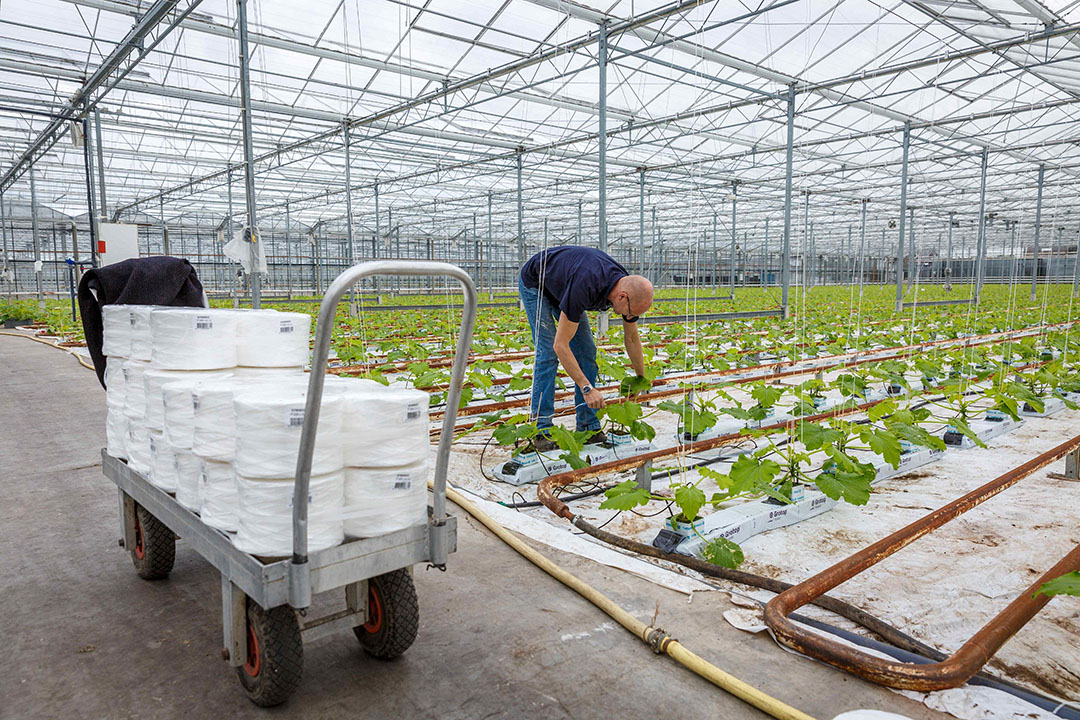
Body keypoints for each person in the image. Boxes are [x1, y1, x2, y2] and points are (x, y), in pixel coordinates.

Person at [518, 245, 655, 451]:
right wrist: (587, 388)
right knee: (547, 353)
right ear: (622, 297)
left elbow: (633, 338)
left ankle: (588, 426)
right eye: (629, 313)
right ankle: (541, 429)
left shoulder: (627, 286)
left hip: (565, 286)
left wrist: (641, 379)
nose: (628, 317)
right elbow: (560, 345)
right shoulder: (586, 284)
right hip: (537, 284)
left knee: (587, 352)